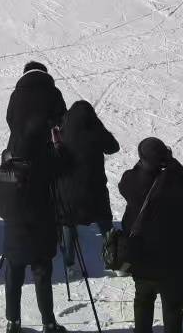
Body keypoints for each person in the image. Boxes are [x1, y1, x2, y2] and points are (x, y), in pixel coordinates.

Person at [120, 135, 183, 333]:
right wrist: (171, 163)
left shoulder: (131, 181)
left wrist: (148, 163)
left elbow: (125, 181)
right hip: (171, 262)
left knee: (143, 303)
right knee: (172, 309)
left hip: (142, 257)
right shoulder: (174, 184)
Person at [0, 119, 68, 333]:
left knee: (14, 275)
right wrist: (58, 146)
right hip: (41, 229)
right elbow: (66, 166)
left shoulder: (7, 162)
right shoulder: (44, 163)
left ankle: (13, 322)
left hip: (14, 230)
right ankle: (48, 323)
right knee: (42, 276)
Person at [58, 99, 120, 273]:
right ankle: (115, 261)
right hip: (96, 189)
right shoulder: (95, 131)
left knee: (68, 224)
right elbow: (113, 147)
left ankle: (69, 264)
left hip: (69, 191)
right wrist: (99, 127)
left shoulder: (63, 132)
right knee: (105, 224)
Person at [7, 60, 69, 144]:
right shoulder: (53, 91)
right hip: (44, 148)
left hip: (17, 148)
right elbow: (63, 119)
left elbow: (10, 118)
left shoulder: (15, 95)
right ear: (44, 75)